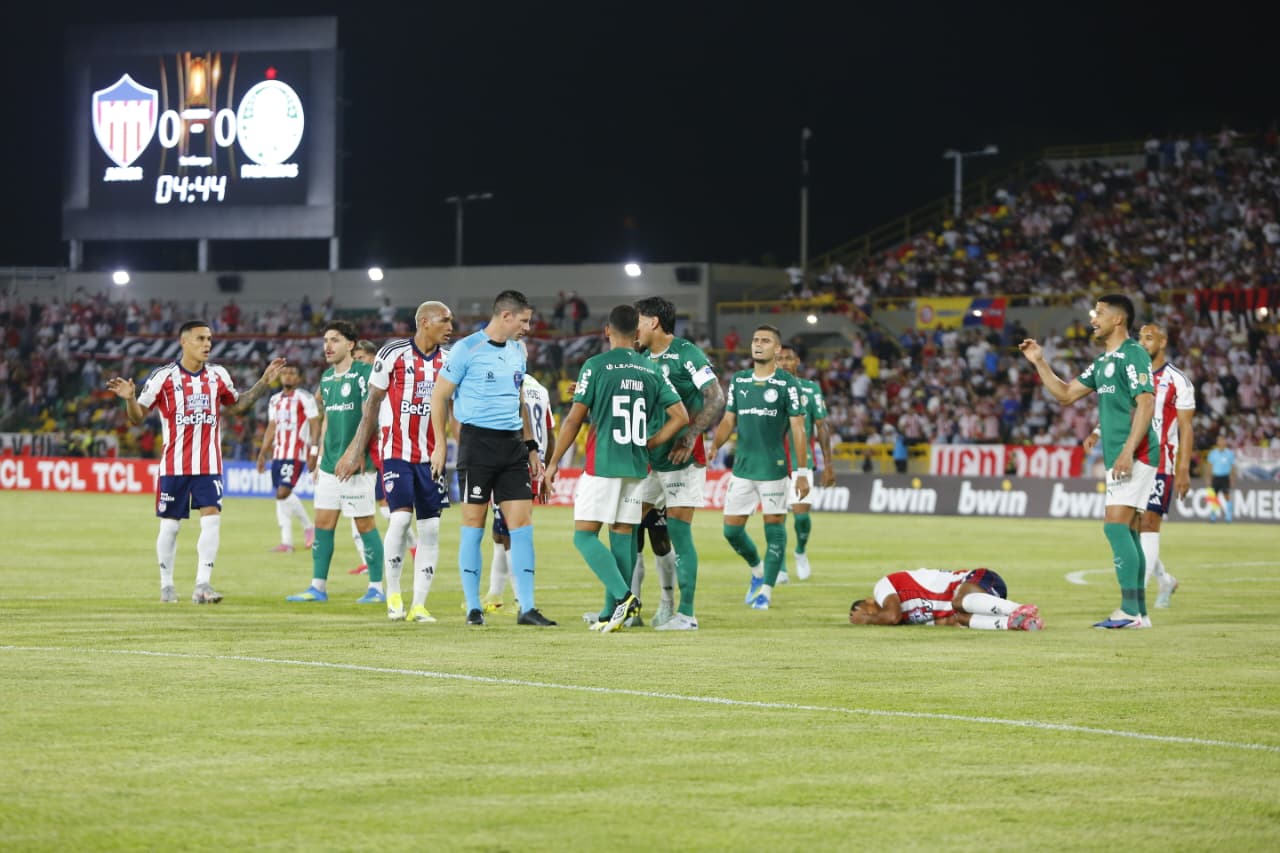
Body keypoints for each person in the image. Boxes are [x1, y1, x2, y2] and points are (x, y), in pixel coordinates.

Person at [106, 320, 285, 603]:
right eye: (201, 339)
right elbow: (138, 416)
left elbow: (238, 406)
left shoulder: (217, 375)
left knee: (212, 521)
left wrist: (263, 383)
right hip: (174, 465)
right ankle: (167, 586)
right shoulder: (164, 377)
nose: (207, 344)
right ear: (184, 342)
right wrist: (129, 399)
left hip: (209, 465)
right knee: (171, 526)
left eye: (209, 339)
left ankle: (203, 585)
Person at [544, 305, 689, 633]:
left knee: (584, 536)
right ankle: (611, 613)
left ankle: (625, 598)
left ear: (607, 330)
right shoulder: (651, 369)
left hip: (604, 463)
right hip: (637, 465)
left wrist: (553, 463)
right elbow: (681, 416)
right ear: (637, 333)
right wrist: (651, 442)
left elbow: (574, 420)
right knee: (622, 534)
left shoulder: (596, 365)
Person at [1020, 294, 1158, 629]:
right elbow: (1066, 394)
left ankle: (1129, 612)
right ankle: (1138, 613)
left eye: (1100, 313)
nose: (1093, 319)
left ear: (1118, 319)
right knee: (1127, 530)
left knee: (1115, 526)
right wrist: (1039, 362)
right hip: (1120, 453)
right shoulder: (1102, 362)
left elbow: (1146, 403)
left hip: (1136, 452)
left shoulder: (1133, 353)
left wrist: (1127, 451)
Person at [429, 290, 556, 627]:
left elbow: (519, 400)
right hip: (477, 445)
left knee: (522, 526)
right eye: (524, 321)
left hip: (512, 446)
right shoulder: (466, 349)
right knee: (474, 525)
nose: (527, 327)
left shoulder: (518, 350)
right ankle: (474, 607)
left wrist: (531, 446)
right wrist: (440, 445)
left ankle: (527, 607)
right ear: (506, 316)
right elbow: (439, 397)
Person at [337, 302, 453, 622]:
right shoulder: (393, 353)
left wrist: (452, 447)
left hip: (432, 456)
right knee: (400, 520)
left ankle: (419, 605)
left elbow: (454, 407)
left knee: (431, 528)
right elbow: (372, 404)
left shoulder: (449, 360)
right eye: (444, 321)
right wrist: (357, 450)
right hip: (396, 452)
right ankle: (394, 594)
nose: (450, 327)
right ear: (424, 322)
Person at [629, 296, 726, 630]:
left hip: (681, 460)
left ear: (653, 322)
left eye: (638, 321)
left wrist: (690, 437)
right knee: (626, 525)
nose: (635, 328)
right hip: (649, 459)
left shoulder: (687, 354)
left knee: (679, 534)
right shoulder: (641, 357)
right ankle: (630, 607)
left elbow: (716, 397)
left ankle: (685, 614)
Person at [1085, 323, 1193, 608]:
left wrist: (1183, 469)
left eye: (1149, 338)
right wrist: (1097, 431)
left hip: (1162, 460)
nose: (1143, 343)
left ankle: (1135, 603)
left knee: (1148, 523)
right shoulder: (1131, 370)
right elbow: (1123, 411)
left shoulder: (1177, 380)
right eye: (1140, 338)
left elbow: (1186, 427)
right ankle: (1164, 579)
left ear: (1163, 342)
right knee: (1131, 525)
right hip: (1131, 456)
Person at [711, 324, 810, 611]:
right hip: (743, 467)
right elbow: (729, 419)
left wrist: (802, 473)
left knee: (774, 528)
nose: (758, 344)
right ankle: (757, 570)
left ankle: (766, 591)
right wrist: (714, 445)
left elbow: (798, 429)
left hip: (773, 469)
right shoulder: (740, 380)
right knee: (731, 531)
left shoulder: (788, 384)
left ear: (777, 349)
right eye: (755, 339)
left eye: (765, 341)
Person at [289, 321, 385, 605]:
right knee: (322, 523)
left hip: (357, 464)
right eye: (326, 341)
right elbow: (328, 421)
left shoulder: (365, 373)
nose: (328, 346)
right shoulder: (327, 378)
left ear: (350, 345)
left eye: (335, 340)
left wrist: (356, 453)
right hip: (330, 464)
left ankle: (377, 588)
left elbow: (372, 417)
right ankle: (317, 587)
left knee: (364, 523)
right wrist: (320, 457)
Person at [483, 368, 555, 613]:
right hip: (536, 463)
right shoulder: (540, 389)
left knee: (510, 533)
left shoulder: (506, 383)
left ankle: (520, 598)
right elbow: (550, 432)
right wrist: (547, 470)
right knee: (500, 531)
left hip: (512, 462)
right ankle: (494, 593)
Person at [348, 339, 419, 576]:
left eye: (361, 358)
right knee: (363, 507)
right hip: (369, 450)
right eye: (355, 359)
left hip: (387, 451)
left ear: (374, 358)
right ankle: (369, 560)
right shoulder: (359, 383)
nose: (358, 363)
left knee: (389, 509)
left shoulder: (389, 381)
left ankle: (414, 548)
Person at [776, 343, 834, 582]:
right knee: (776, 518)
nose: (784, 363)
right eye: (780, 359)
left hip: (802, 463)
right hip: (773, 463)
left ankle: (800, 551)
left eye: (788, 358)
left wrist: (828, 464)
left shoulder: (810, 389)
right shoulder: (767, 388)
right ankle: (779, 566)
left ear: (797, 361)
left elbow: (821, 427)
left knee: (801, 517)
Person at [848, 568, 1043, 630]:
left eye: (862, 612)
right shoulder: (910, 618)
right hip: (983, 604)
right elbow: (947, 621)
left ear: (869, 601)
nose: (865, 617)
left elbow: (891, 616)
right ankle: (1016, 623)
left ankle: (1018, 608)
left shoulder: (883, 586)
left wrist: (867, 620)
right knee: (961, 619)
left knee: (958, 602)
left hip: (980, 578)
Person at [255, 364, 318, 553]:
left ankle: (309, 527)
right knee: (280, 496)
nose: (287, 376)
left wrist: (314, 451)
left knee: (283, 492)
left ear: (299, 378)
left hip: (296, 452)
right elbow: (271, 427)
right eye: (284, 373)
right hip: (278, 453)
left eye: (292, 373)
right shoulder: (274, 400)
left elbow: (315, 425)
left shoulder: (305, 397)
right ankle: (287, 542)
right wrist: (262, 453)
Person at [1206, 432, 1236, 522]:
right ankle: (1213, 515)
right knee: (1213, 497)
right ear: (1217, 442)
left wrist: (1232, 479)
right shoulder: (1213, 453)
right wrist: (1208, 478)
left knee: (1227, 496)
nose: (1221, 442)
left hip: (1225, 478)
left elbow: (1232, 467)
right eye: (1219, 440)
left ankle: (1229, 515)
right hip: (1215, 477)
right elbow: (1209, 467)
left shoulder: (1229, 453)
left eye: (1222, 440)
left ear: (1225, 441)